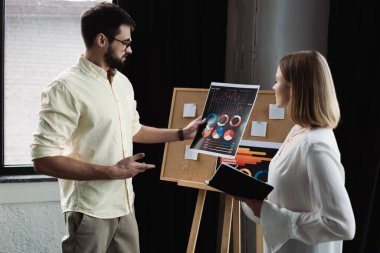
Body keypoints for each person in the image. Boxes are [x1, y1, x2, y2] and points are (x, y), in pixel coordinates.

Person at [30, 2, 205, 253]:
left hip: (124, 206)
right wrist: (109, 172)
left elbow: (133, 129)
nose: (130, 49)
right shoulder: (65, 87)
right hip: (90, 210)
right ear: (102, 40)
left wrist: (180, 134)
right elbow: (43, 159)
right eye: (125, 42)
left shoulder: (122, 82)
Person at [239, 50, 355, 253]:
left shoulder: (315, 145)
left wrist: (273, 215)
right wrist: (255, 200)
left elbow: (342, 224)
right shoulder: (298, 131)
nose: (274, 87)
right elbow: (289, 195)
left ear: (294, 88)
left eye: (277, 81)